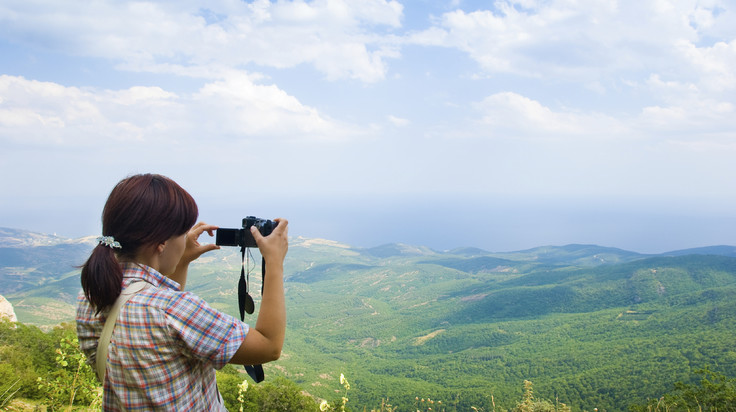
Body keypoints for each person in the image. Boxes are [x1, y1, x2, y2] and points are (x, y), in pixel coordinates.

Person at [76, 173, 288, 410]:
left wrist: (181, 261)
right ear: (161, 244)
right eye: (182, 232)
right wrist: (274, 262)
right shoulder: (171, 311)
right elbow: (269, 346)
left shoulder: (91, 297)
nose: (185, 238)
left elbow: (166, 341)